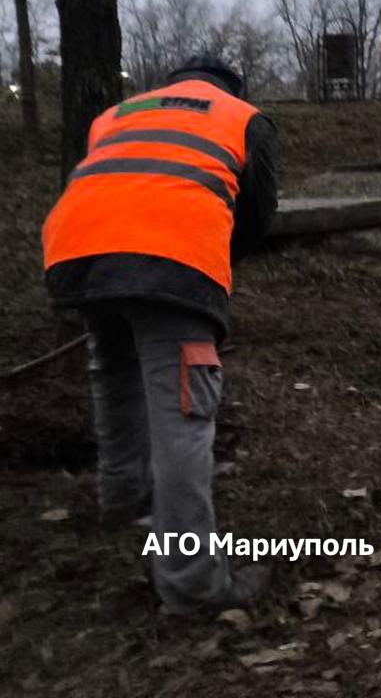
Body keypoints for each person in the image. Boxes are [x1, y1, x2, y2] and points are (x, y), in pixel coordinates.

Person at [42, 55, 278, 615]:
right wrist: (213, 265)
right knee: (184, 415)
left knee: (115, 373)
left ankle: (125, 501)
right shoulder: (244, 117)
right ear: (230, 86)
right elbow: (258, 212)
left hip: (78, 254)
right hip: (173, 261)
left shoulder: (118, 112)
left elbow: (111, 180)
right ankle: (192, 582)